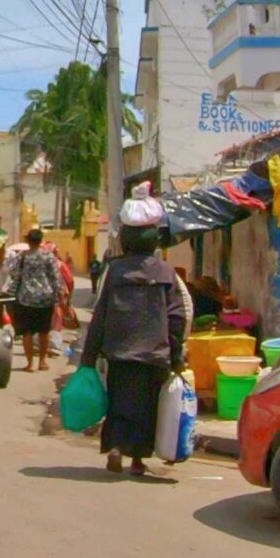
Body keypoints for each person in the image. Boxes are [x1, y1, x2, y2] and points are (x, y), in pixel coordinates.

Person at [77, 198, 189, 476]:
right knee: (147, 407)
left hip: (119, 351)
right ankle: (138, 460)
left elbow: (100, 315)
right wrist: (176, 357)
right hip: (155, 352)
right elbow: (177, 318)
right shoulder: (165, 272)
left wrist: (89, 357)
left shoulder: (114, 271)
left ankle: (115, 447)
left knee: (119, 401)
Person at [2, 229, 71, 372]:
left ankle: (30, 364)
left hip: (25, 299)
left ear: (28, 241)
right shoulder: (48, 256)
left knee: (27, 332)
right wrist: (61, 295)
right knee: (44, 332)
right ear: (40, 241)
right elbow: (55, 277)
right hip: (45, 299)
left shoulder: (22, 257)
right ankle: (42, 362)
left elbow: (13, 273)